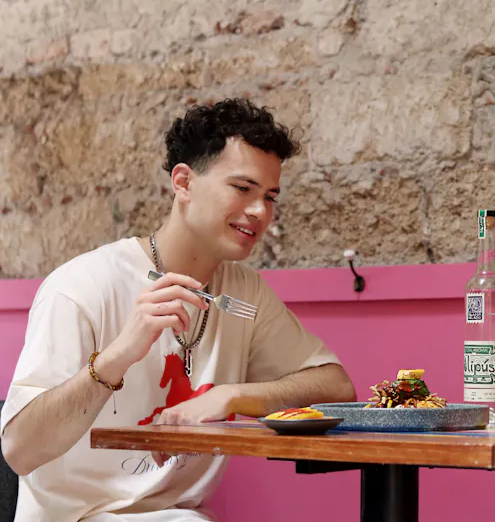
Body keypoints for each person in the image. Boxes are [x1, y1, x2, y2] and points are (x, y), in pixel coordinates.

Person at [0, 98, 357, 522]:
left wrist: (233, 395)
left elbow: (336, 386)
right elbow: (20, 451)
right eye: (242, 189)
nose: (261, 212)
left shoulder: (244, 293)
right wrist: (118, 356)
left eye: (270, 196)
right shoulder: (80, 286)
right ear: (183, 183)